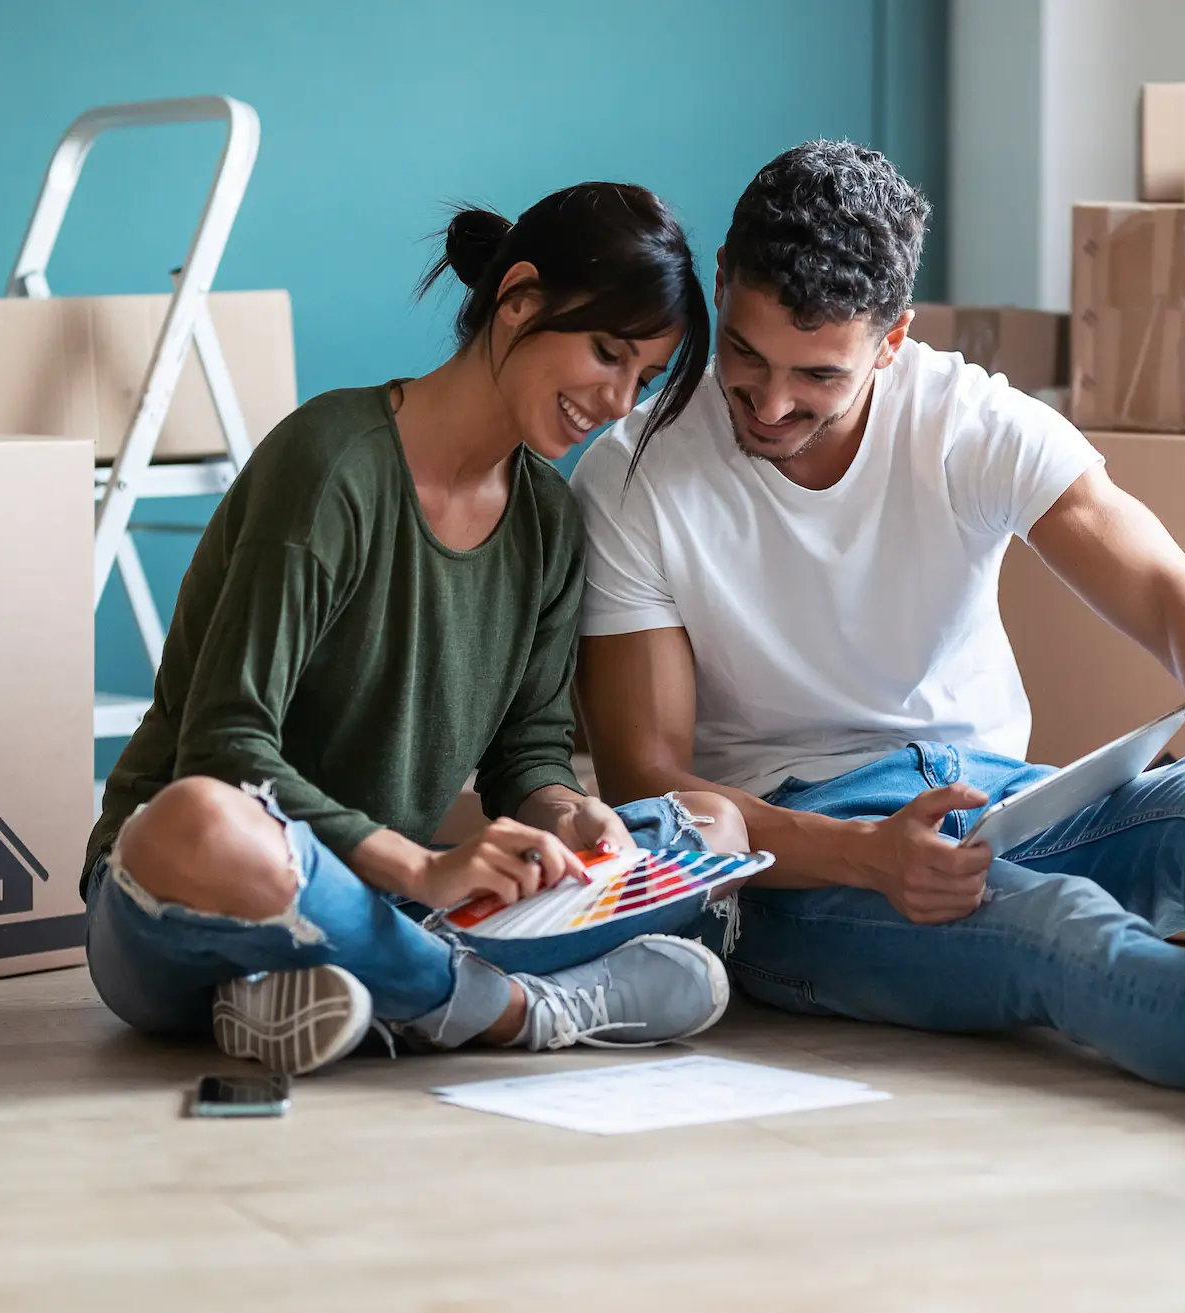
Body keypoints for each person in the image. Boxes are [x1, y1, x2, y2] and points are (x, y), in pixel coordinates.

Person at [570, 142, 1185, 1145]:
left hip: (999, 801)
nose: (771, 403)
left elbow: (1169, 592)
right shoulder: (633, 475)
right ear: (720, 290)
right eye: (744, 356)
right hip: (794, 868)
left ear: (890, 342)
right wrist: (865, 855)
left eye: (817, 374)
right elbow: (648, 781)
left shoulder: (960, 419)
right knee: (1058, 933)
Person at [82, 182, 751, 1077]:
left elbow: (527, 758)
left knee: (708, 825)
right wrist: (420, 869)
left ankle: (343, 993)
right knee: (201, 820)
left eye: (643, 378)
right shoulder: (330, 466)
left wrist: (571, 816)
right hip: (191, 895)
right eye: (606, 353)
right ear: (517, 299)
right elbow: (224, 749)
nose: (619, 401)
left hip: (391, 900)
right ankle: (505, 1007)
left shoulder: (550, 524)